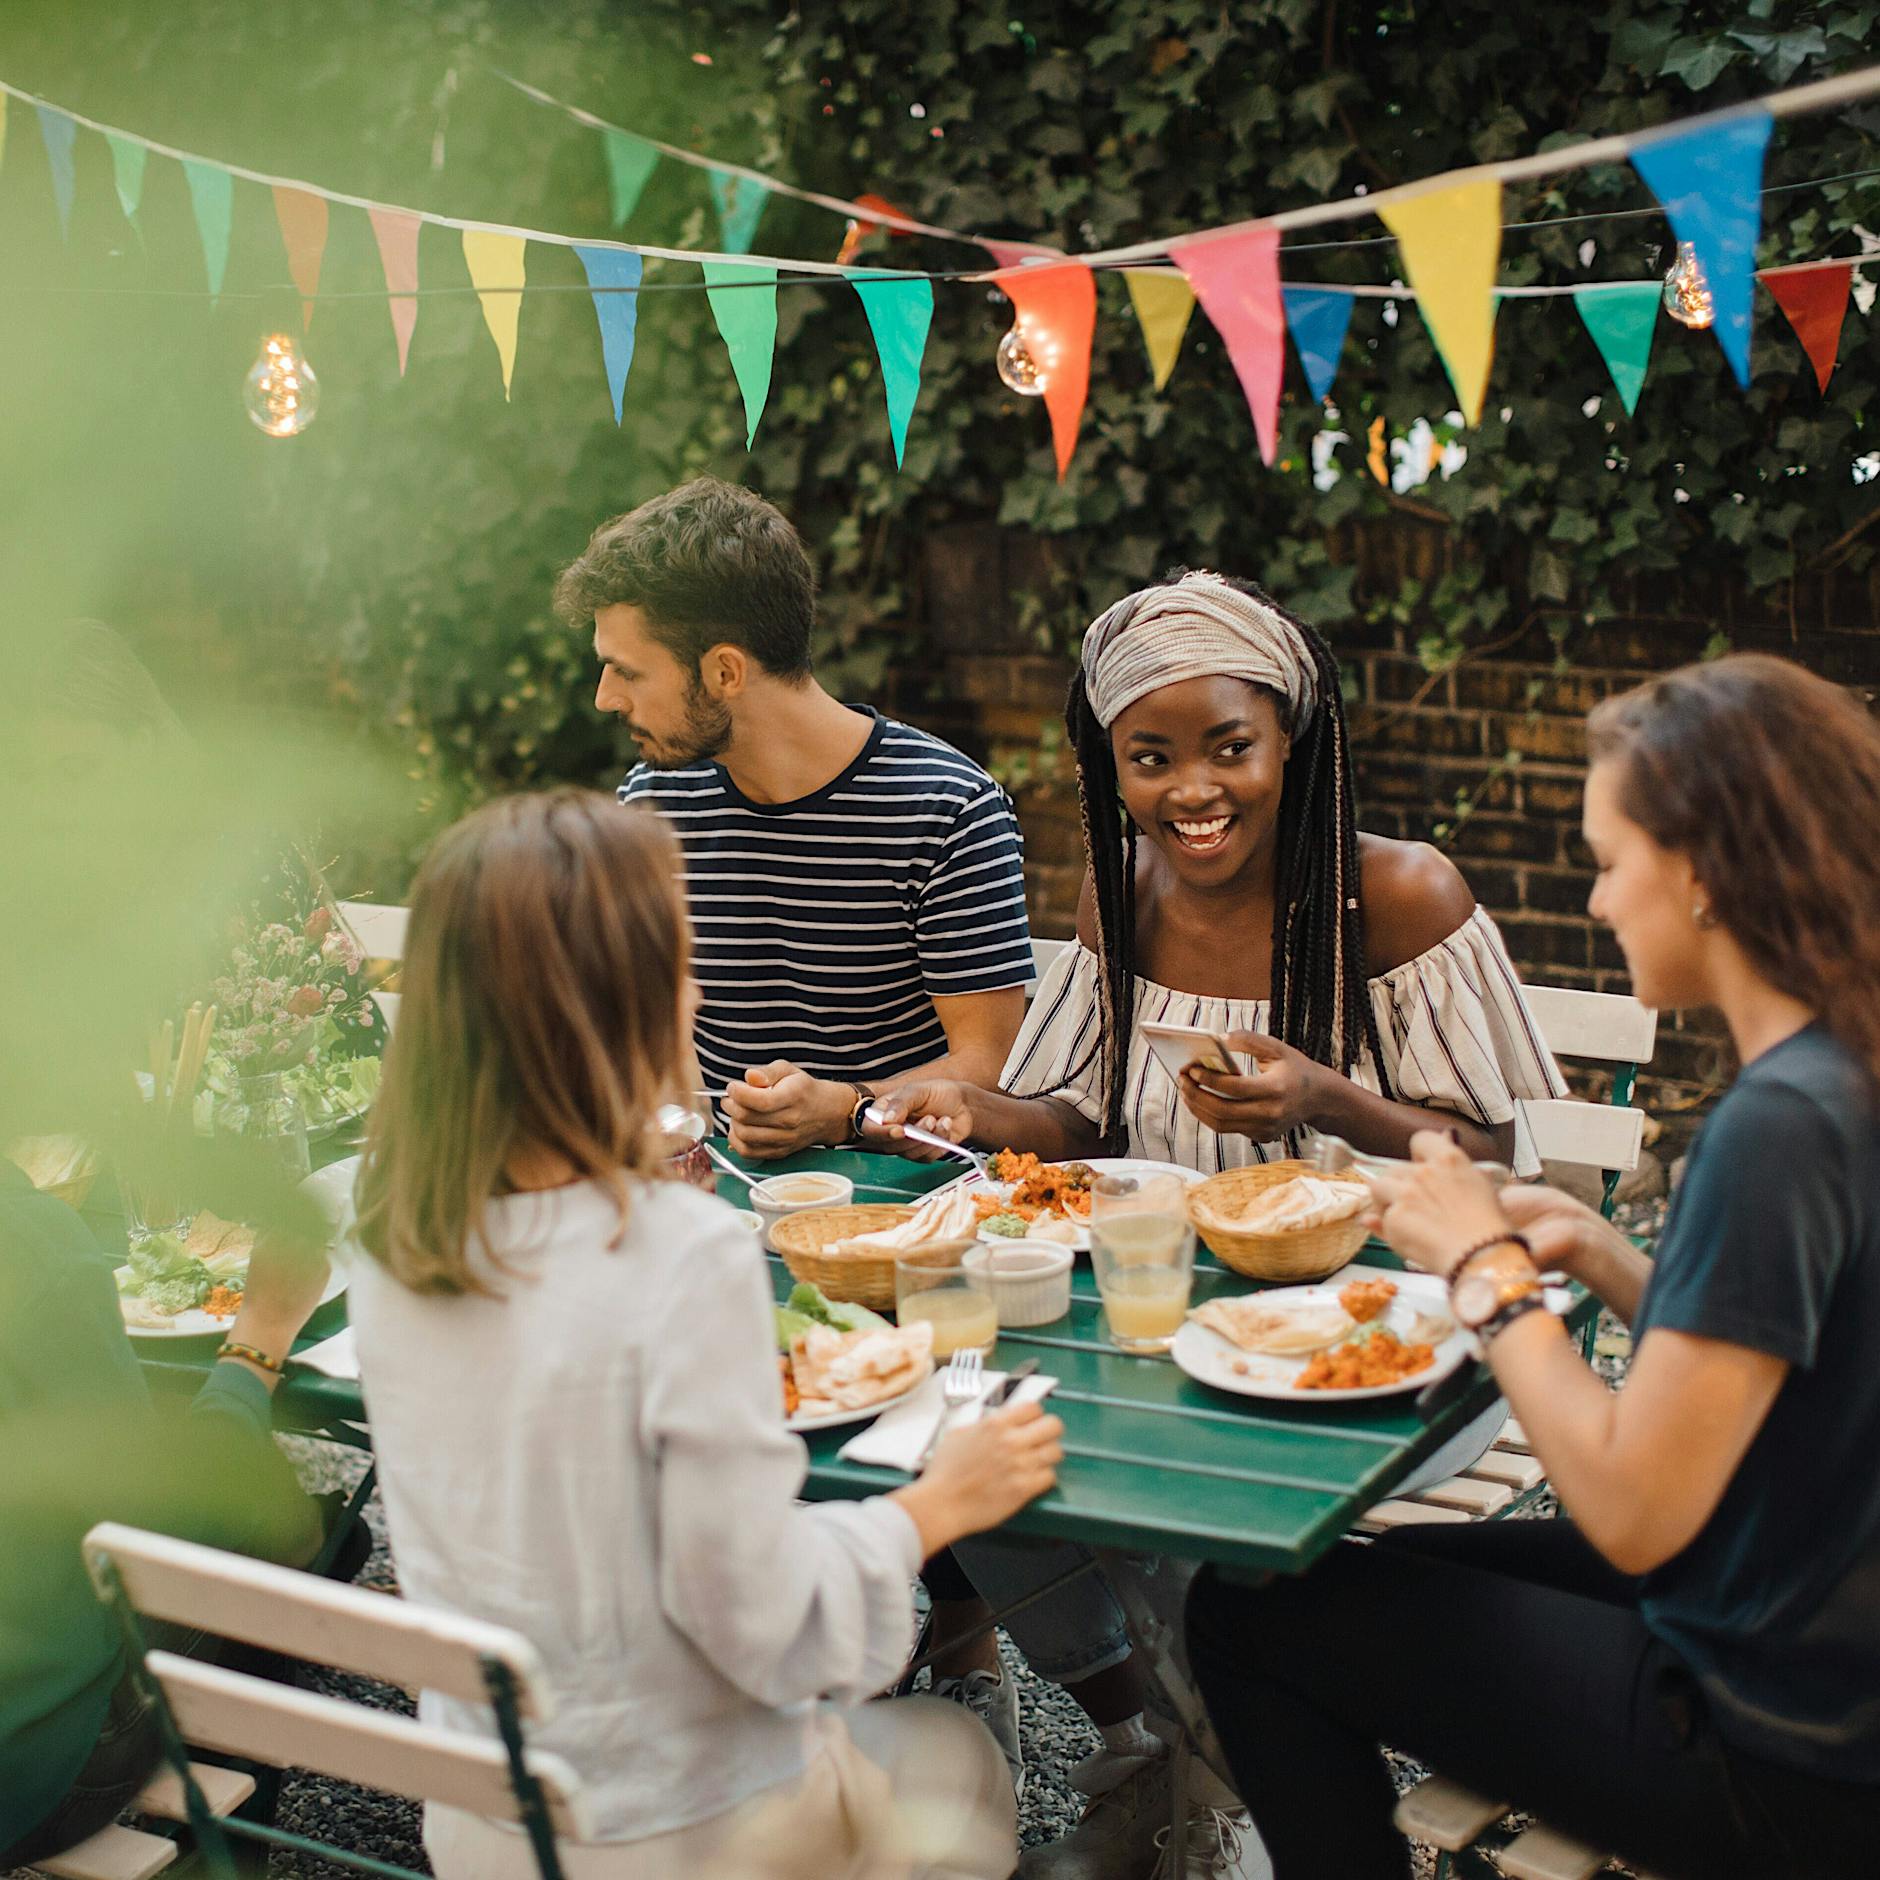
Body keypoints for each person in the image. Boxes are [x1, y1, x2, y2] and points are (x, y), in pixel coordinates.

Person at [874, 569, 1564, 1880]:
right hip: (1169, 1344)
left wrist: (1325, 1097)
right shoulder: (1121, 895)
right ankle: (1155, 1749)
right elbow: (1071, 1125)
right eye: (1152, 758)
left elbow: (1516, 1173)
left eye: (1230, 748)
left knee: (1170, 1524)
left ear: (1290, 743)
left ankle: (1211, 1780)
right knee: (957, 1437)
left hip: (1382, 1357)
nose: (1194, 789)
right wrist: (962, 1100)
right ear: (1113, 768)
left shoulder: (1400, 897)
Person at [1186, 654, 1880, 1879]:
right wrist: (1604, 1253)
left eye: (1610, 862)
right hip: (1810, 1621)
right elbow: (1786, 1374)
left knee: (1244, 1611)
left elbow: (1627, 1511)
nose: (1599, 901)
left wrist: (1487, 1267)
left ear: (1706, 874)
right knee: (1329, 1570)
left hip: (1776, 1750)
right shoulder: (1843, 1069)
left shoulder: (1778, 1126)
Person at [344, 789, 1066, 1880]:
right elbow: (760, 1621)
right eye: (682, 961)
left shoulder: (393, 1228)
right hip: (689, 1830)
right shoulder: (680, 1253)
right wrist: (933, 1506)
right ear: (627, 1003)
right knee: (959, 1755)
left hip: (491, 1823)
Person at [554, 477, 1035, 1163]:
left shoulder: (948, 809)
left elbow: (993, 1066)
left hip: (905, 1204)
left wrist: (846, 1108)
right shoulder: (654, 806)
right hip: (719, 1194)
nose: (605, 699)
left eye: (626, 672)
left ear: (724, 671)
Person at [0, 1159, 335, 1865]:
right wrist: (260, 1340)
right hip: (27, 1780)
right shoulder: (29, 1243)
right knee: (284, 1535)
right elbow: (167, 1526)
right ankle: (226, 1863)